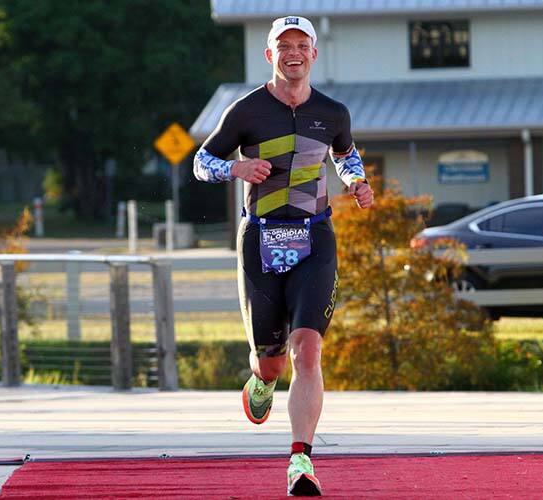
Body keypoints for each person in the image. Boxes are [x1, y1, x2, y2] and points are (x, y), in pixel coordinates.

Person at [193, 15, 373, 496]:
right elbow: (200, 162)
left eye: (302, 45)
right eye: (283, 45)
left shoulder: (333, 112)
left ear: (314, 54)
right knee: (271, 362)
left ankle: (301, 462)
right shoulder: (246, 111)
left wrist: (355, 180)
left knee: (308, 349)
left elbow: (344, 153)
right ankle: (261, 377)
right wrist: (236, 168)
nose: (293, 52)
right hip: (262, 239)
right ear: (270, 55)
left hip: (316, 237)